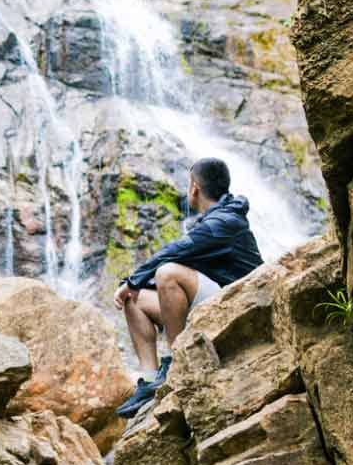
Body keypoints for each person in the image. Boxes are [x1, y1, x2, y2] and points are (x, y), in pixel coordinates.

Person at [113, 157, 264, 418]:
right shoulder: (214, 220)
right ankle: (149, 380)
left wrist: (132, 280)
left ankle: (175, 362)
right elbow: (182, 260)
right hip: (216, 302)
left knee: (167, 273)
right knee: (134, 300)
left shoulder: (225, 221)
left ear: (194, 187)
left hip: (240, 307)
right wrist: (132, 286)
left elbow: (175, 253)